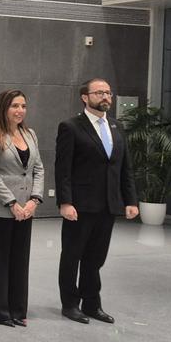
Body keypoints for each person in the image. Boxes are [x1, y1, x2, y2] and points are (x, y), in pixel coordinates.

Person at [55, 78, 138, 325]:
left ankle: (92, 304)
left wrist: (130, 200)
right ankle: (70, 304)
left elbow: (125, 167)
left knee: (95, 259)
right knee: (72, 257)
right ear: (85, 97)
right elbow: (63, 169)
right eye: (99, 92)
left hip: (108, 205)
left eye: (108, 93)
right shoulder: (71, 126)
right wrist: (65, 202)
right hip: (80, 205)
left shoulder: (116, 126)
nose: (105, 97)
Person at [0, 89, 44, 327]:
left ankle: (17, 309)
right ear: (3, 108)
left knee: (20, 260)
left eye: (23, 106)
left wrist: (34, 200)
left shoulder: (30, 134)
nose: (20, 110)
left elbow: (38, 169)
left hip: (26, 208)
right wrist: (12, 203)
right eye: (15, 106)